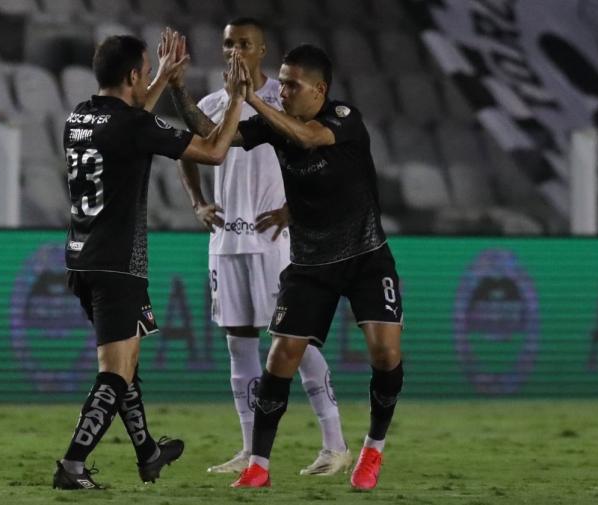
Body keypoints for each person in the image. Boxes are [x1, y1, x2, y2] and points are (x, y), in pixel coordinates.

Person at [170, 43, 404, 491]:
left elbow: (310, 139)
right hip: (311, 261)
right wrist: (179, 91)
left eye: (293, 84)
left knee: (385, 353)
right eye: (283, 80)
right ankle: (258, 463)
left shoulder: (343, 117)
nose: (286, 91)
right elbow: (210, 133)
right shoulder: (274, 127)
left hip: (365, 256)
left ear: (319, 90)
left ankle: (371, 450)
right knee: (280, 357)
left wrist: (253, 97)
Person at [52, 30, 248, 490]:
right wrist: (238, 98)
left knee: (128, 364)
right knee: (115, 373)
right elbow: (216, 151)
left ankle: (148, 454)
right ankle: (72, 466)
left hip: (83, 257)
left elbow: (128, 120)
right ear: (132, 75)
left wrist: (160, 78)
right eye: (144, 73)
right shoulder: (134, 126)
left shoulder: (78, 117)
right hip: (119, 263)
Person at [174, 18, 351, 476]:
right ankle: (250, 448)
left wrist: (296, 209)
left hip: (275, 241)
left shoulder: (283, 100)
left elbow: (322, 156)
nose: (235, 50)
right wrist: (197, 203)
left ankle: (335, 444)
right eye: (229, 43)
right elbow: (187, 151)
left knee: (295, 342)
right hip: (226, 240)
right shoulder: (214, 104)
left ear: (262, 50)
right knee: (239, 344)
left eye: (245, 44)